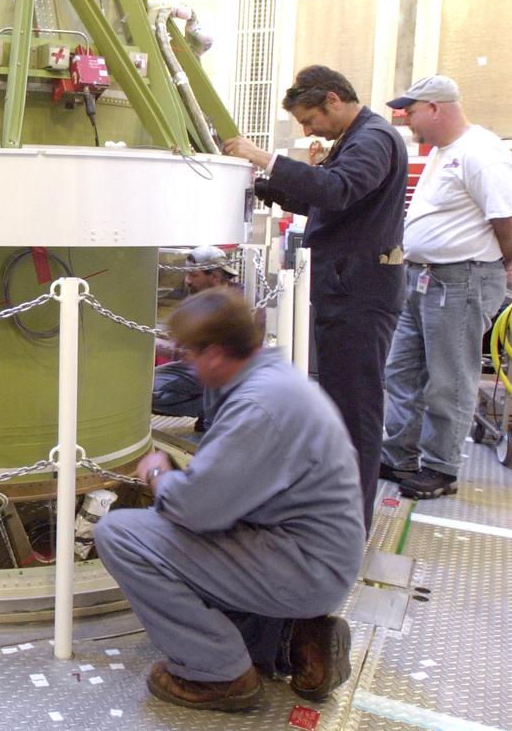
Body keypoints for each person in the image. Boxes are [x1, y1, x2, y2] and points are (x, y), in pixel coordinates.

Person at [95, 289, 364, 712]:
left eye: (191, 355)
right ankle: (294, 644)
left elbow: (194, 509)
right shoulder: (274, 379)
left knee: (122, 535)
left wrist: (156, 473)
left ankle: (217, 673)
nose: (189, 365)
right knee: (192, 555)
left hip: (306, 566)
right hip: (314, 554)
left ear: (217, 354)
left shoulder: (260, 408)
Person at [224, 65, 408, 530]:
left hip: (360, 295)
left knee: (357, 410)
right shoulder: (356, 140)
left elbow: (338, 189)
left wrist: (266, 159)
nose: (309, 131)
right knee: (343, 403)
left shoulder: (373, 140)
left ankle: (350, 526)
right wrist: (261, 185)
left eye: (310, 120)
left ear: (332, 99)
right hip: (345, 288)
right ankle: (339, 512)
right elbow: (318, 200)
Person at [379, 76, 512, 498]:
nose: (406, 120)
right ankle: (399, 456)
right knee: (402, 369)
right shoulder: (446, 153)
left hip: (460, 280)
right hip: (423, 277)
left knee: (450, 379)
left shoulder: (482, 155)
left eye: (410, 111)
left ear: (436, 108)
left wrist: (503, 264)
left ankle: (440, 468)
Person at [152, 246, 239, 426]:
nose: (187, 280)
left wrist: (145, 341)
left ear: (214, 276)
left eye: (193, 274)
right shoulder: (200, 298)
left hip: (227, 373)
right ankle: (208, 409)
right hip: (199, 370)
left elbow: (191, 353)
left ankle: (216, 415)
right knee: (142, 390)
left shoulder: (236, 302)